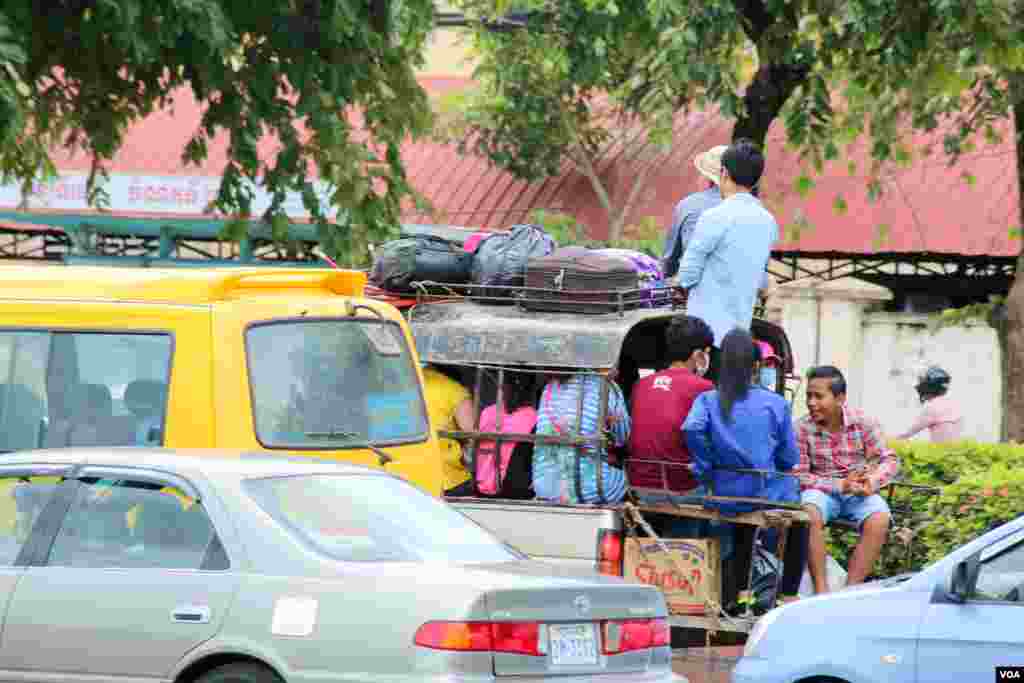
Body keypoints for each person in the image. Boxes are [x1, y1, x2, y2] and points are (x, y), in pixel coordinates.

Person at [683, 328, 805, 606]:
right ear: (757, 366)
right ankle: (788, 596)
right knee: (802, 518)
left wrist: (705, 464)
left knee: (743, 528)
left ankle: (743, 597)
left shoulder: (708, 400)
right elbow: (788, 459)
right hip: (763, 493)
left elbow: (691, 428)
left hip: (724, 493)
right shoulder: (775, 403)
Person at [676, 139, 777, 381]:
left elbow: (687, 274)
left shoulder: (714, 216)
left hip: (704, 339)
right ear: (755, 180)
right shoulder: (768, 222)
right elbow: (760, 275)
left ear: (723, 173)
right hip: (739, 337)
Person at [796, 365, 900, 593]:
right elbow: (800, 475)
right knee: (808, 512)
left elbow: (890, 460)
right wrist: (838, 485)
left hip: (859, 492)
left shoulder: (864, 422)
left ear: (840, 398)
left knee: (879, 518)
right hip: (823, 491)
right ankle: (821, 592)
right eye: (808, 396)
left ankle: (848, 593)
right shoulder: (802, 428)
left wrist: (871, 482)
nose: (811, 402)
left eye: (819, 396)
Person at [628, 315, 714, 535]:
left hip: (640, 487)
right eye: (708, 354)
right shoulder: (704, 388)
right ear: (698, 355)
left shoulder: (641, 385)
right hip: (682, 490)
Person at [533, 371, 631, 504]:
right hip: (591, 491)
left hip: (545, 489)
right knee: (626, 481)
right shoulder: (606, 386)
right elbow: (622, 436)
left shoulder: (549, 389)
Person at [662, 145, 727, 280]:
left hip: (695, 288)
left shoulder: (688, 204)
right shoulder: (752, 209)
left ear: (708, 176)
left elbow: (670, 259)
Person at [476, 372, 538, 499]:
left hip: (480, 485)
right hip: (513, 489)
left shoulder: (488, 413)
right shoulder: (534, 417)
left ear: (502, 386)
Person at [421, 364, 476, 497]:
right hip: (446, 477)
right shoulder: (455, 390)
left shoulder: (404, 382)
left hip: (400, 473)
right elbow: (471, 432)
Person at [895, 366, 962, 442]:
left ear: (929, 387)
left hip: (941, 452)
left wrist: (887, 441)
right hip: (956, 450)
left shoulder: (932, 407)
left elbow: (907, 433)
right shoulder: (952, 404)